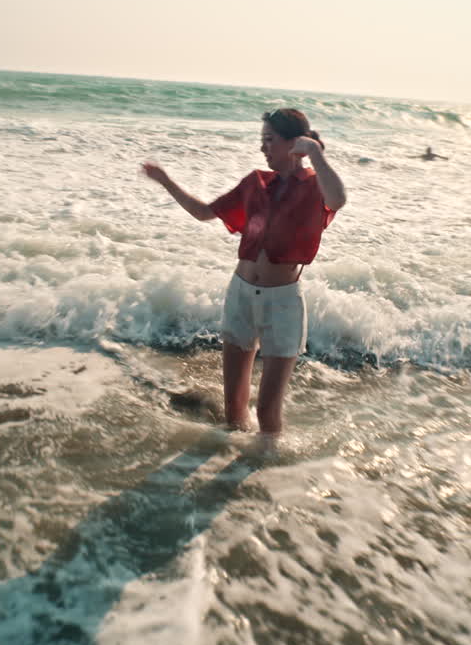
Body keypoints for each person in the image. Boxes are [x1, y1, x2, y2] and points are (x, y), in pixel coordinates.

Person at [141, 108, 346, 448]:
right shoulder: (256, 183)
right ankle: (230, 479)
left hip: (282, 303)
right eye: (261, 141)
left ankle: (266, 476)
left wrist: (315, 154)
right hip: (240, 294)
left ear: (294, 143)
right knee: (234, 408)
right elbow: (204, 212)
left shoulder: (315, 187)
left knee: (267, 413)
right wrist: (166, 181)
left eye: (269, 140)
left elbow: (338, 198)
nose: (263, 148)